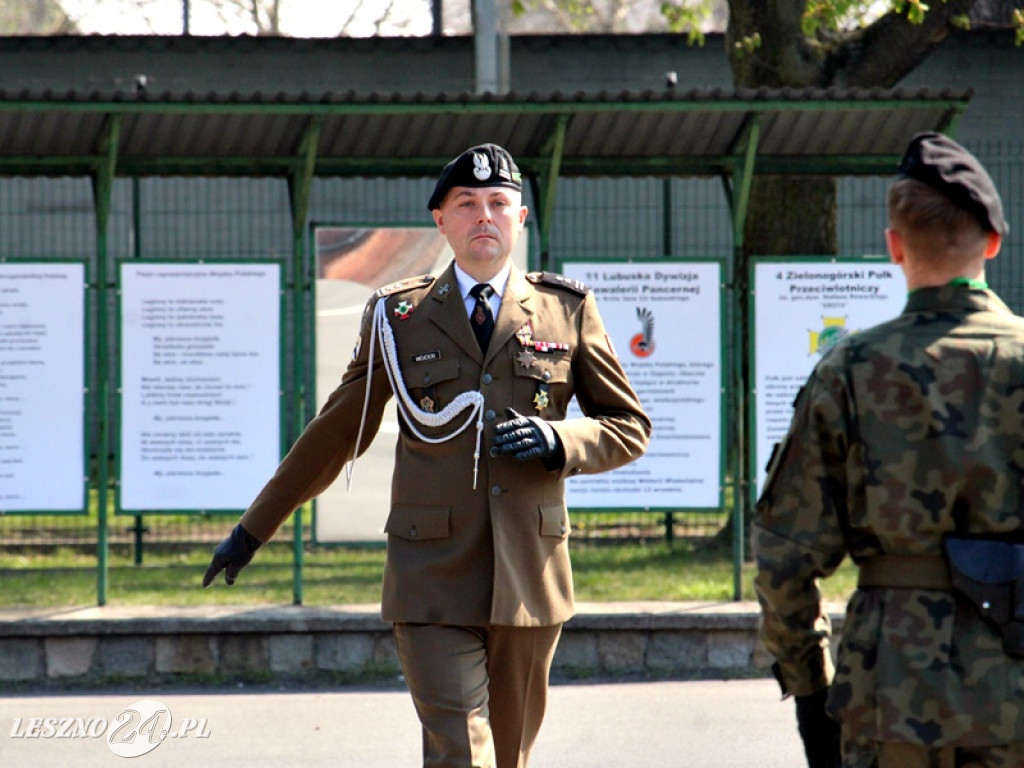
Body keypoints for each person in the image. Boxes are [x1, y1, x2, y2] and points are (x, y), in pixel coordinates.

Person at [203, 143, 651, 768]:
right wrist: (253, 531)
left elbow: (629, 425)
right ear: (440, 220)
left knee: (508, 757)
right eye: (467, 204)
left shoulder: (566, 309)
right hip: (431, 576)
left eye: (499, 204)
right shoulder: (398, 316)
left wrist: (561, 441)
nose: (484, 217)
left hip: (529, 572)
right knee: (460, 750)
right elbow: (336, 433)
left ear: (521, 219)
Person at [753, 131, 1024, 768]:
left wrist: (810, 692)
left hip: (888, 698)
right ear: (992, 242)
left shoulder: (849, 369)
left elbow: (784, 557)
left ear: (894, 248)